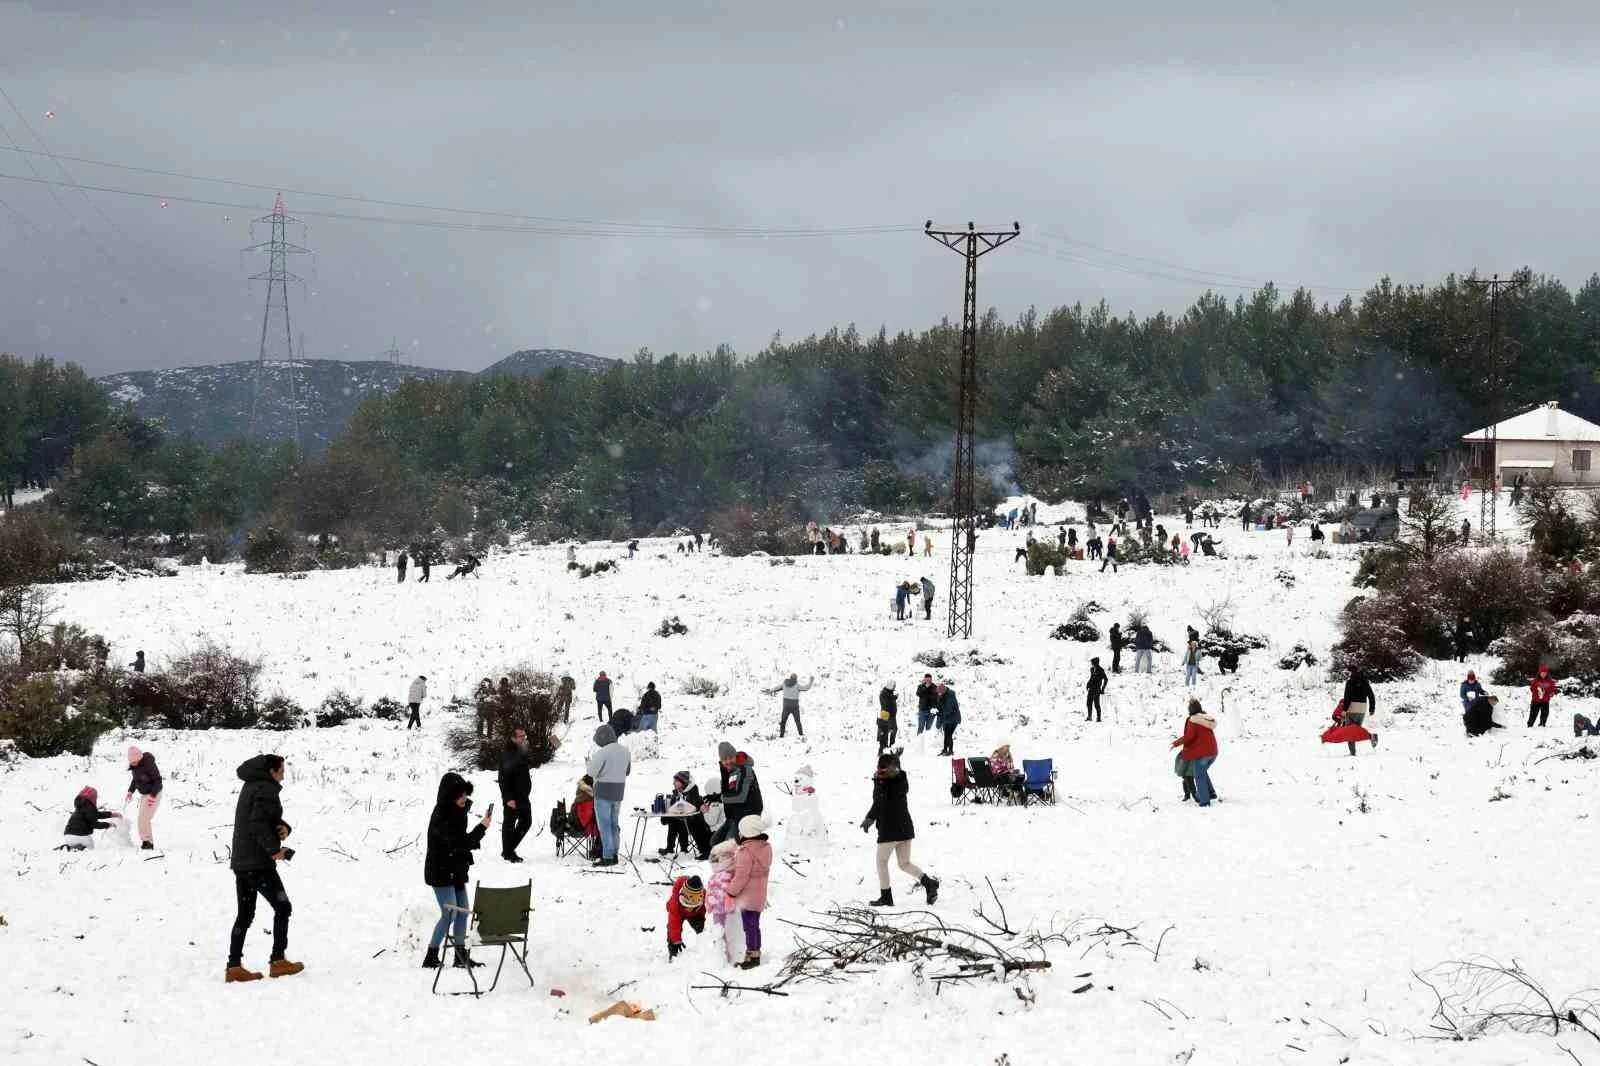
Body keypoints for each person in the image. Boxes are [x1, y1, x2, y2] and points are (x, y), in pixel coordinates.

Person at [226, 754, 302, 982]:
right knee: (283, 907)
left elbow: (264, 819)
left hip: (243, 861)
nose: (284, 775)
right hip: (257, 862)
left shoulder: (252, 785)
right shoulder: (266, 789)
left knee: (245, 914)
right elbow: (257, 824)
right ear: (271, 771)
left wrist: (284, 828)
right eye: (281, 770)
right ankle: (278, 961)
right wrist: (274, 850)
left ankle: (233, 966)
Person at [423, 771, 492, 969]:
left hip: (456, 869)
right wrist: (482, 828)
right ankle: (431, 955)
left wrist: (479, 829)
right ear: (449, 796)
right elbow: (458, 843)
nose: (464, 798)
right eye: (459, 795)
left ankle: (460, 956)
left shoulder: (458, 812)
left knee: (463, 913)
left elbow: (462, 843)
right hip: (440, 871)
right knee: (449, 914)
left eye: (465, 794)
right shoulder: (440, 816)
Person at [861, 752, 941, 908]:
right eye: (880, 769)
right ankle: (929, 883)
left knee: (881, 861)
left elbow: (880, 802)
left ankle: (886, 897)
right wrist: (881, 779)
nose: (881, 772)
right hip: (905, 829)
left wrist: (869, 819)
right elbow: (883, 797)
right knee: (904, 863)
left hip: (890, 830)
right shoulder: (901, 780)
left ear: (893, 769)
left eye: (884, 769)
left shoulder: (886, 784)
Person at [727, 814, 773, 969]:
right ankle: (755, 953)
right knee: (754, 925)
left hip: (748, 896)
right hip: (760, 894)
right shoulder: (766, 847)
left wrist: (731, 891)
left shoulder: (745, 852)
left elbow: (741, 877)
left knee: (749, 927)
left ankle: (752, 957)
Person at [586, 724, 630, 866]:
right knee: (613, 824)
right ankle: (615, 854)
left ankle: (607, 856)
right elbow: (627, 771)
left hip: (603, 791)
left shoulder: (602, 752)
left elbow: (592, 772)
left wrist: (588, 763)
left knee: (604, 825)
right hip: (618, 791)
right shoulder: (625, 751)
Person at [712, 741, 763, 845]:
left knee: (728, 845)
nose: (728, 761)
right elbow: (729, 792)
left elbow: (741, 796)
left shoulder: (745, 770)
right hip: (735, 815)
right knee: (715, 841)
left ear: (735, 756)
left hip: (748, 814)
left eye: (730, 757)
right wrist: (715, 797)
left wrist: (721, 798)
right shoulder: (728, 771)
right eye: (724, 759)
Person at [1171, 699, 1219, 807]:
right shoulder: (1206, 719)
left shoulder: (1193, 720)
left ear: (1190, 710)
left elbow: (1189, 737)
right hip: (1213, 752)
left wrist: (1175, 743)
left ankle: (1204, 801)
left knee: (1199, 776)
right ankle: (1211, 793)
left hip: (1202, 754)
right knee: (1202, 772)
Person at [705, 841, 745, 963]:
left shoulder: (732, 874)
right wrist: (709, 902)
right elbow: (710, 890)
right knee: (719, 933)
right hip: (718, 910)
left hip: (730, 911)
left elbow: (733, 890)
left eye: (716, 859)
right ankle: (721, 955)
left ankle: (733, 955)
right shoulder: (716, 875)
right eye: (713, 858)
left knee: (731, 933)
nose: (713, 861)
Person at [498, 727, 532, 862]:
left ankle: (508, 849)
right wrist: (508, 798)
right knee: (509, 824)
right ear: (513, 738)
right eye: (521, 736)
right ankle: (508, 852)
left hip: (523, 795)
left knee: (526, 822)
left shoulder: (520, 751)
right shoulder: (508, 753)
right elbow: (503, 778)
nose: (524, 738)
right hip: (512, 796)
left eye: (524, 736)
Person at [660, 770, 711, 859]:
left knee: (683, 822)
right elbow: (672, 808)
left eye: (676, 781)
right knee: (672, 822)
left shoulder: (694, 793)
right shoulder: (675, 794)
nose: (673, 783)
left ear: (683, 782)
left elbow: (694, 807)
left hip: (693, 822)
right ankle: (670, 848)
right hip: (682, 821)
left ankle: (692, 849)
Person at [125, 745, 163, 850]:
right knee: (141, 819)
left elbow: (158, 781)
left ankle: (148, 843)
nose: (132, 764)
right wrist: (130, 791)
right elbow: (135, 780)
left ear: (139, 758)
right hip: (144, 794)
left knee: (144, 818)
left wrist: (153, 795)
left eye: (134, 762)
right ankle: (145, 841)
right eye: (131, 762)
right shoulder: (135, 766)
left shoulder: (149, 765)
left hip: (154, 793)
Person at [61, 786, 121, 850]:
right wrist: (108, 825)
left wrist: (111, 814)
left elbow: (95, 815)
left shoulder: (80, 808)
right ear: (92, 797)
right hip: (81, 836)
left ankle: (70, 848)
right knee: (91, 851)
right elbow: (95, 824)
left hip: (68, 836)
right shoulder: (89, 808)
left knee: (78, 852)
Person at [665, 875, 708, 959]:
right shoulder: (675, 903)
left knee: (702, 930)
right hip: (679, 912)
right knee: (671, 932)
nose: (688, 909)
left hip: (695, 915)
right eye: (687, 905)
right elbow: (674, 923)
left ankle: (706, 949)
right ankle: (673, 953)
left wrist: (703, 926)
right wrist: (676, 940)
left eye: (692, 906)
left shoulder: (705, 898)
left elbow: (708, 914)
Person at [764, 673, 813, 738]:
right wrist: (811, 681)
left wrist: (770, 690)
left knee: (783, 721)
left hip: (786, 706)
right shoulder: (797, 685)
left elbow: (776, 688)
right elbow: (806, 688)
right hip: (794, 706)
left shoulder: (784, 684)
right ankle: (801, 734)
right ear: (796, 679)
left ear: (790, 677)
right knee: (797, 721)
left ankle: (781, 735)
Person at [572, 776, 600, 858]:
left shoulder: (580, 799)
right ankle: (599, 852)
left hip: (578, 824)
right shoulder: (588, 802)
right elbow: (588, 821)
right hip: (587, 827)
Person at [935, 682, 961, 757]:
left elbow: (948, 710)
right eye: (938, 693)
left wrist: (939, 713)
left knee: (948, 734)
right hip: (947, 718)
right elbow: (940, 706)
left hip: (953, 718)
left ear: (943, 691)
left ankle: (950, 751)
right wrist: (936, 710)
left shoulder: (950, 696)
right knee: (946, 734)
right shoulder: (942, 696)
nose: (938, 694)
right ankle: (945, 750)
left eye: (939, 693)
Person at [876, 681, 899, 751]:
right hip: (886, 714)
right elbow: (886, 704)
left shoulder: (889, 692)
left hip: (891, 715)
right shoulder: (884, 693)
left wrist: (894, 697)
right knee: (885, 731)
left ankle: (891, 745)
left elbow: (889, 700)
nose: (894, 688)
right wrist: (894, 697)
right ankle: (883, 747)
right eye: (894, 686)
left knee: (893, 729)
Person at [1086, 657, 1108, 721]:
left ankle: (1098, 718)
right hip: (1091, 688)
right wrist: (1088, 684)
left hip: (1097, 689)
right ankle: (1089, 717)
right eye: (1092, 663)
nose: (1092, 664)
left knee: (1096, 704)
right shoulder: (1092, 669)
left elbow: (1106, 679)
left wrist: (1103, 689)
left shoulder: (1101, 670)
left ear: (1097, 663)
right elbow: (1091, 677)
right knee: (1088, 703)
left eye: (1093, 663)